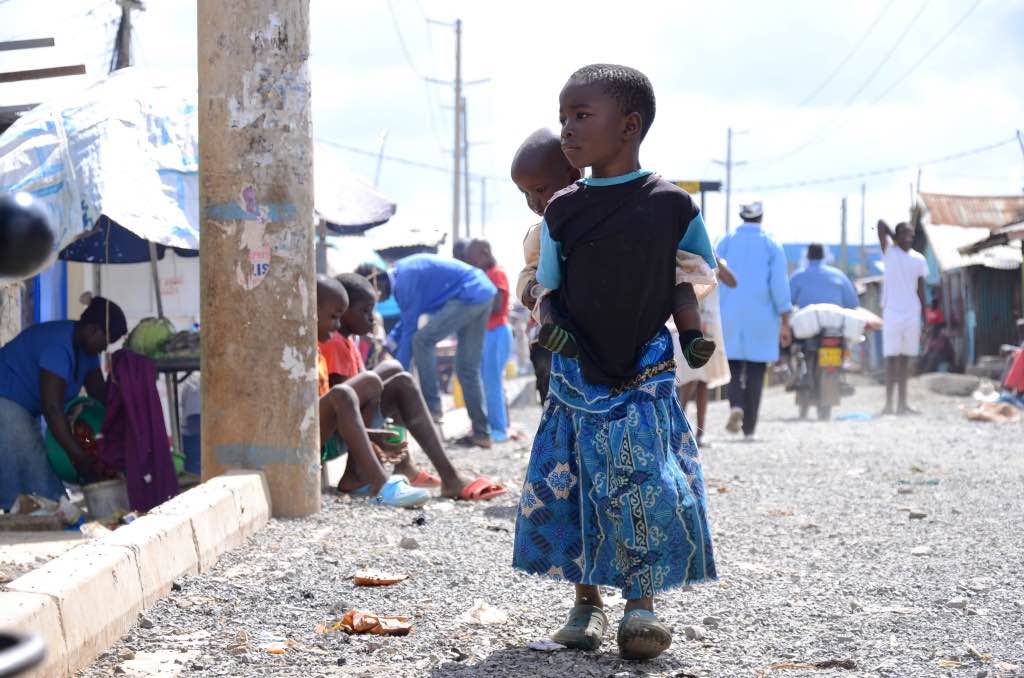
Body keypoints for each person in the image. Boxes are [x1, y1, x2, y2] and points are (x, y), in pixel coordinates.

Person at [512, 64, 717, 661]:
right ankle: (585, 604)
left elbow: (691, 274)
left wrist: (689, 326)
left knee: (643, 482)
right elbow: (547, 285)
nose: (567, 130)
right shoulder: (563, 211)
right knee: (577, 482)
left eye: (581, 116)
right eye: (563, 117)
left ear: (629, 126)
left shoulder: (672, 205)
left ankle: (642, 607)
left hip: (645, 369)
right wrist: (550, 322)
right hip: (577, 376)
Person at [324, 273, 506, 501]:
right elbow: (342, 411)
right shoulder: (333, 344)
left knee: (399, 377)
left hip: (352, 432)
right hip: (336, 438)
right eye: (364, 311)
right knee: (390, 377)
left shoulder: (348, 343)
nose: (371, 318)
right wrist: (375, 437)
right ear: (342, 310)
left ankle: (412, 468)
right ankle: (362, 475)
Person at [0, 296, 127, 510]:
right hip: (5, 397)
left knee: (25, 463)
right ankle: (52, 510)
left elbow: (100, 398)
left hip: (19, 405)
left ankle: (37, 509)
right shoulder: (58, 345)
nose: (105, 348)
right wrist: (80, 458)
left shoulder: (87, 352)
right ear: (94, 330)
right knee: (33, 458)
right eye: (106, 341)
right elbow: (52, 409)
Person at [315, 275, 429, 508]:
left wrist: (371, 435)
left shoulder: (324, 348)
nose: (337, 325)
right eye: (333, 316)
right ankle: (380, 483)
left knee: (395, 376)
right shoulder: (326, 346)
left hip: (328, 434)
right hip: (318, 440)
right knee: (357, 387)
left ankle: (403, 468)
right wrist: (370, 438)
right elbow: (338, 403)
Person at [376, 254, 497, 448]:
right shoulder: (403, 274)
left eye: (373, 294)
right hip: (483, 291)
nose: (376, 300)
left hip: (467, 294)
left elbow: (410, 332)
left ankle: (433, 407)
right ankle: (482, 433)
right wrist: (388, 343)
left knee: (422, 341)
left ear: (377, 283)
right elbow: (407, 321)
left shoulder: (404, 281)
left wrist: (397, 375)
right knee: (466, 369)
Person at [716, 201, 794, 439]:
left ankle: (736, 405)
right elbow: (779, 284)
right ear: (761, 217)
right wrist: (785, 319)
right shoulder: (771, 244)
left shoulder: (726, 241)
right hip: (762, 316)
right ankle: (749, 429)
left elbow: (713, 272)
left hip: (729, 313)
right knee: (757, 371)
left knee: (733, 366)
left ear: (741, 217)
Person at [675, 257, 737, 448]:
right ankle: (680, 428)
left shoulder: (711, 259)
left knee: (703, 380)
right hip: (689, 322)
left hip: (709, 323)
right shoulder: (684, 256)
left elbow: (733, 282)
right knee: (690, 378)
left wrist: (716, 259)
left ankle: (699, 433)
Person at [458, 239, 515, 442]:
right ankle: (492, 424)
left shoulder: (496, 273)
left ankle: (499, 429)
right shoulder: (482, 275)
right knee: (486, 382)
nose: (470, 261)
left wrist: (471, 310)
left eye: (473, 257)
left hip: (497, 331)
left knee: (492, 382)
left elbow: (498, 305)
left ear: (484, 253)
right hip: (486, 333)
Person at [878, 219, 928, 415]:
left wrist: (925, 319)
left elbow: (922, 291)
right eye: (904, 233)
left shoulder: (919, 259)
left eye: (911, 234)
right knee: (891, 359)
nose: (909, 237)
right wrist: (894, 238)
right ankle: (888, 404)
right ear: (897, 236)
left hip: (912, 313)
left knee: (906, 359)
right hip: (891, 312)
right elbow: (881, 224)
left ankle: (903, 404)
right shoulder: (890, 253)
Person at [789, 243, 858, 309]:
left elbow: (788, 303)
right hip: (834, 320)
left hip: (807, 320)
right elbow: (852, 304)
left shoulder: (797, 276)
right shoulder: (839, 275)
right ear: (824, 256)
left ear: (807, 256)